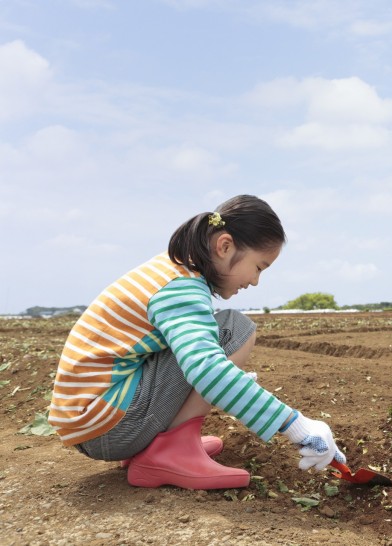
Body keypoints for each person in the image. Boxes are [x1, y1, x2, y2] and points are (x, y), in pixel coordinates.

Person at [48, 195, 346, 490]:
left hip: (93, 420)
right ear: (225, 246)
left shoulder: (170, 269)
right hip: (108, 427)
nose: (255, 281)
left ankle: (166, 445)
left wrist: (232, 381)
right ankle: (171, 452)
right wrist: (296, 425)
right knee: (233, 328)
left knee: (209, 343)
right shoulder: (181, 287)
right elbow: (207, 370)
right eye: (259, 267)